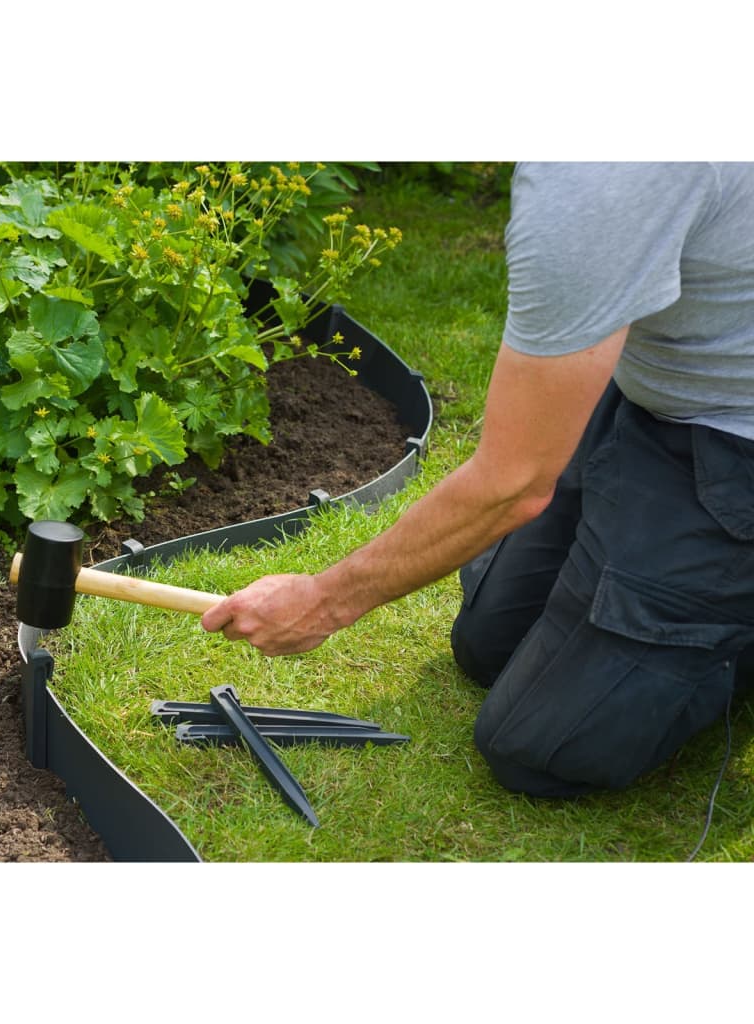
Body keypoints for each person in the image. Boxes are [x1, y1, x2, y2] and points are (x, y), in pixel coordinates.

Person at [200, 162, 754, 797]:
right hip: (650, 400)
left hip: (735, 442)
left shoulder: (599, 181)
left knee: (540, 749)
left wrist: (324, 600)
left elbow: (513, 484)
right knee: (487, 644)